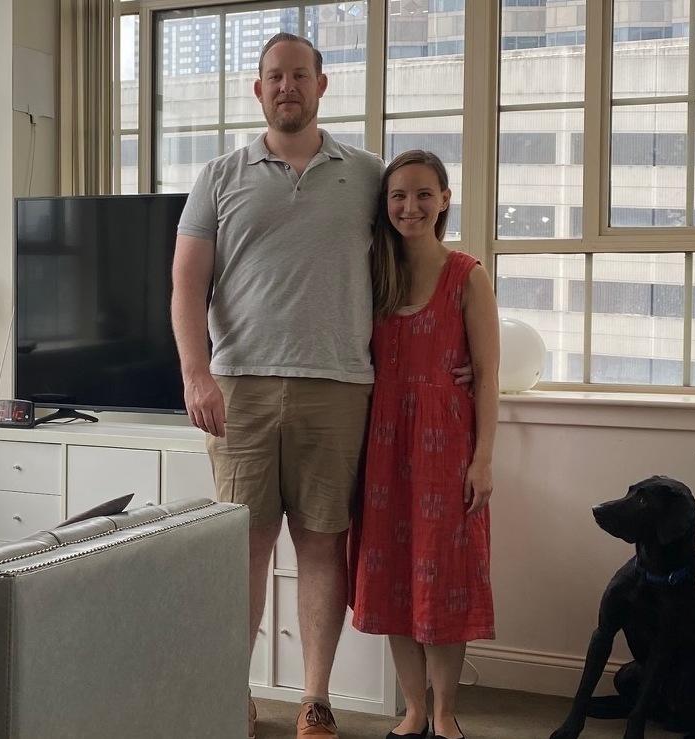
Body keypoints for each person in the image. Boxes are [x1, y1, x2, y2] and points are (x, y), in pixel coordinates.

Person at [171, 33, 468, 739]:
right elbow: (186, 286)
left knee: (322, 545)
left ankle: (314, 699)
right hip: (238, 389)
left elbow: (420, 258)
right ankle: (232, 692)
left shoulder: (367, 174)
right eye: (275, 76)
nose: (287, 87)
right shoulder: (219, 175)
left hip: (338, 389)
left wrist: (458, 346)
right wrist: (195, 371)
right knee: (242, 549)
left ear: (321, 85)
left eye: (299, 75)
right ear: (259, 89)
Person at [350, 150, 500, 739]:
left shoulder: (468, 275)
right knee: (391, 579)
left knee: (445, 580)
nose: (409, 207)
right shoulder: (372, 274)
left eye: (421, 194)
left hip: (447, 449)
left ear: (444, 200)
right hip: (382, 448)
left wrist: (483, 459)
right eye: (397, 196)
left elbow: (487, 374)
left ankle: (444, 716)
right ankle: (412, 713)